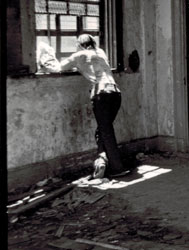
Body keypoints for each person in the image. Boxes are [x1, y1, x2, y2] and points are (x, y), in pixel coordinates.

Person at [39, 34, 128, 179]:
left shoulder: (79, 55)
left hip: (102, 94)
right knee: (103, 129)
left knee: (106, 131)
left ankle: (118, 168)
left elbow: (58, 68)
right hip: (116, 94)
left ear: (80, 44)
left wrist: (45, 60)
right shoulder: (101, 53)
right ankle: (102, 161)